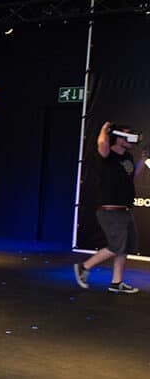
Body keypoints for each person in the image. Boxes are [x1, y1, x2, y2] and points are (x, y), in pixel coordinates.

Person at [74, 122, 143, 293]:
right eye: (127, 135)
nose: (130, 139)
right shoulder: (107, 154)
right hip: (110, 211)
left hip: (125, 210)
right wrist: (105, 129)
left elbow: (131, 174)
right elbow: (102, 143)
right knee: (116, 246)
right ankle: (84, 267)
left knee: (124, 247)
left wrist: (144, 158)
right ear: (118, 138)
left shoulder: (128, 157)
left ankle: (116, 283)